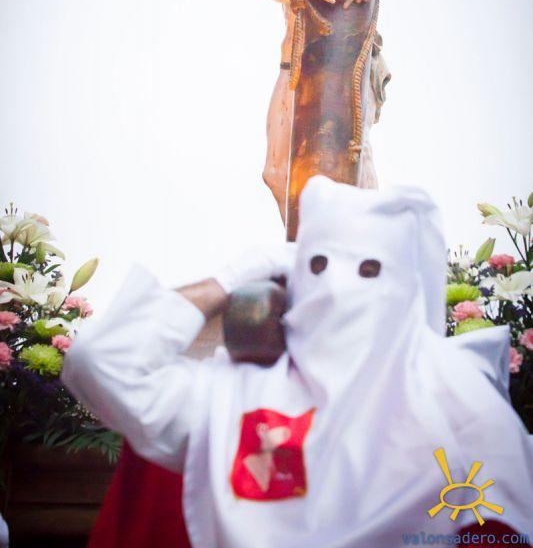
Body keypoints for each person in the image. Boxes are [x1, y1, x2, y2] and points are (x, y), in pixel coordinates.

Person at [62, 176, 532, 547]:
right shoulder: (229, 397)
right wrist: (227, 279)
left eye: (368, 270)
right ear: (293, 277)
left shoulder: (460, 407)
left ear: (406, 292)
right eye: (318, 265)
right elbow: (99, 362)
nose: (337, 289)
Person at [263, 0, 394, 221]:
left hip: (348, 62)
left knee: (352, 151)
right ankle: (301, 242)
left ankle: (365, 236)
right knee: (277, 168)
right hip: (296, 65)